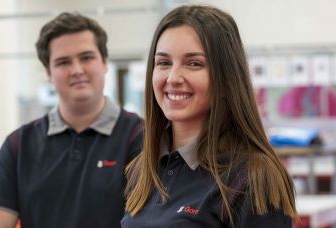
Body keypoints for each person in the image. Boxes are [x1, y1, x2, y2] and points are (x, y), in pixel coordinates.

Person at [121, 5, 296, 228]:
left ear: (226, 79)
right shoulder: (141, 170)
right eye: (164, 62)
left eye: (194, 63)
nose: (173, 77)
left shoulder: (254, 176)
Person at [0, 12, 143, 228]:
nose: (77, 70)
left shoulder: (140, 138)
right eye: (63, 62)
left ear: (104, 62)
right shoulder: (18, 146)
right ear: (49, 73)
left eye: (86, 57)